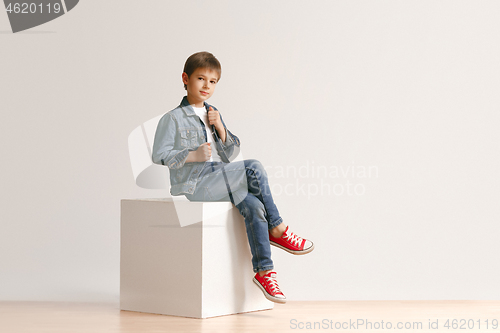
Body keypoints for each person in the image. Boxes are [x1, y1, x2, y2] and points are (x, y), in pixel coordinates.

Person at [151, 51, 314, 304]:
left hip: (219, 174)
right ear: (186, 78)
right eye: (200, 79)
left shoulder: (213, 112)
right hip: (196, 183)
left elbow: (231, 154)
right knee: (253, 167)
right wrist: (191, 155)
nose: (206, 86)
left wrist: (220, 128)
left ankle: (264, 272)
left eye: (213, 81)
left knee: (255, 206)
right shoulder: (172, 118)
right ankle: (279, 228)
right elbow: (159, 155)